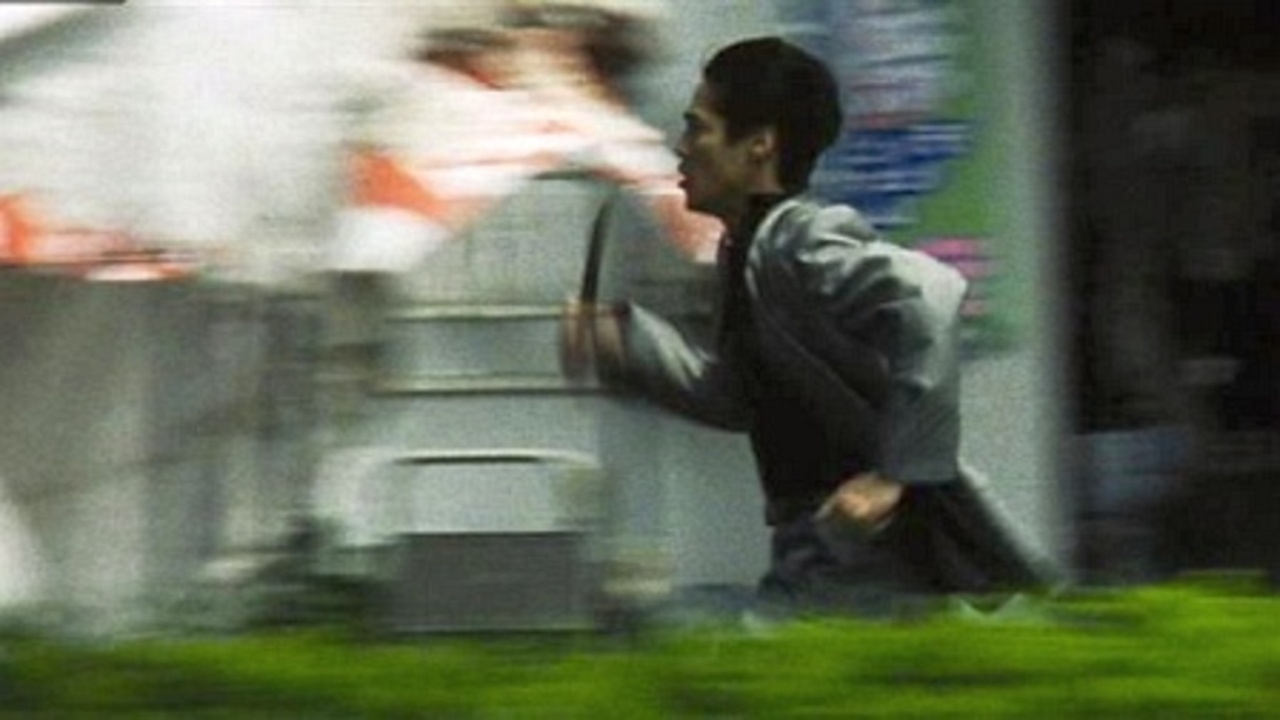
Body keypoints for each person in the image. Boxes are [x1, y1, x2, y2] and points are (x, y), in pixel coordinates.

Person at [563, 37, 1054, 619]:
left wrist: (893, 477)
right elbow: (738, 397)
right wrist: (624, 343)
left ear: (759, 145)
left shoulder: (798, 239)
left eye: (699, 129)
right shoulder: (745, 253)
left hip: (857, 539)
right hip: (825, 536)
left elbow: (931, 294)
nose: (682, 148)